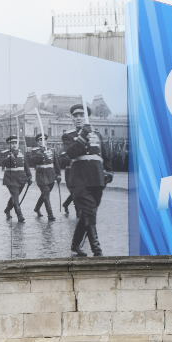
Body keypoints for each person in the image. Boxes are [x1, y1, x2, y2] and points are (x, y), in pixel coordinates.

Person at [63, 103, 109, 256]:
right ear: (72, 119)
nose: (78, 118)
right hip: (79, 179)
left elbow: (105, 154)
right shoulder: (69, 135)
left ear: (87, 117)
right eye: (75, 116)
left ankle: (75, 245)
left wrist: (109, 171)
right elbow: (71, 153)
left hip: (96, 178)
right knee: (89, 211)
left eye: (81, 115)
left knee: (87, 214)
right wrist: (82, 136)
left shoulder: (97, 134)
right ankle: (97, 249)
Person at [0, 135, 30, 222]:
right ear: (8, 144)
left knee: (14, 197)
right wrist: (9, 158)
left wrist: (29, 176)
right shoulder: (5, 153)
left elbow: (26, 165)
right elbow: (2, 163)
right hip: (10, 179)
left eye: (15, 143)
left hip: (21, 178)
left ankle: (7, 209)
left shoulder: (21, 152)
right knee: (15, 197)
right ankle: (20, 215)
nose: (14, 145)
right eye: (12, 143)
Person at [28, 136, 58, 221]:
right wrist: (40, 153)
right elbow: (32, 161)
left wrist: (58, 174)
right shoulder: (34, 151)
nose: (42, 141)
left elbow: (56, 162)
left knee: (44, 195)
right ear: (37, 142)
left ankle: (37, 208)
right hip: (41, 176)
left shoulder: (51, 150)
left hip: (51, 175)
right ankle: (50, 214)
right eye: (40, 140)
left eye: (44, 140)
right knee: (46, 194)